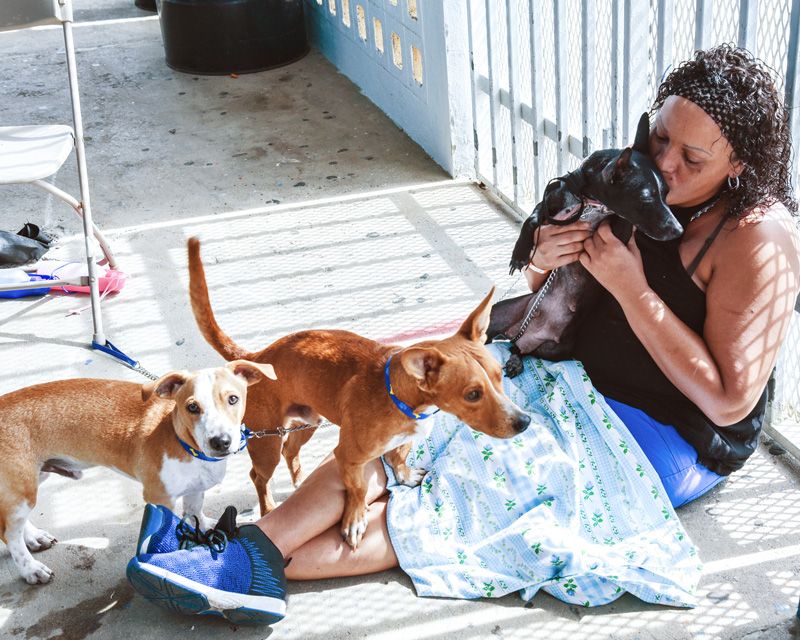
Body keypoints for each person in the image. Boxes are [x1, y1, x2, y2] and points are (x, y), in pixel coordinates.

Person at [125, 45, 800, 625]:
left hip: (658, 430)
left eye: (693, 156)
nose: (664, 163)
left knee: (469, 484)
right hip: (569, 379)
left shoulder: (757, 241)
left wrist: (632, 287)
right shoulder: (636, 174)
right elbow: (551, 297)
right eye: (658, 137)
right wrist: (547, 258)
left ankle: (248, 562)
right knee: (400, 424)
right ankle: (249, 554)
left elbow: (730, 402)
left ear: (739, 164)